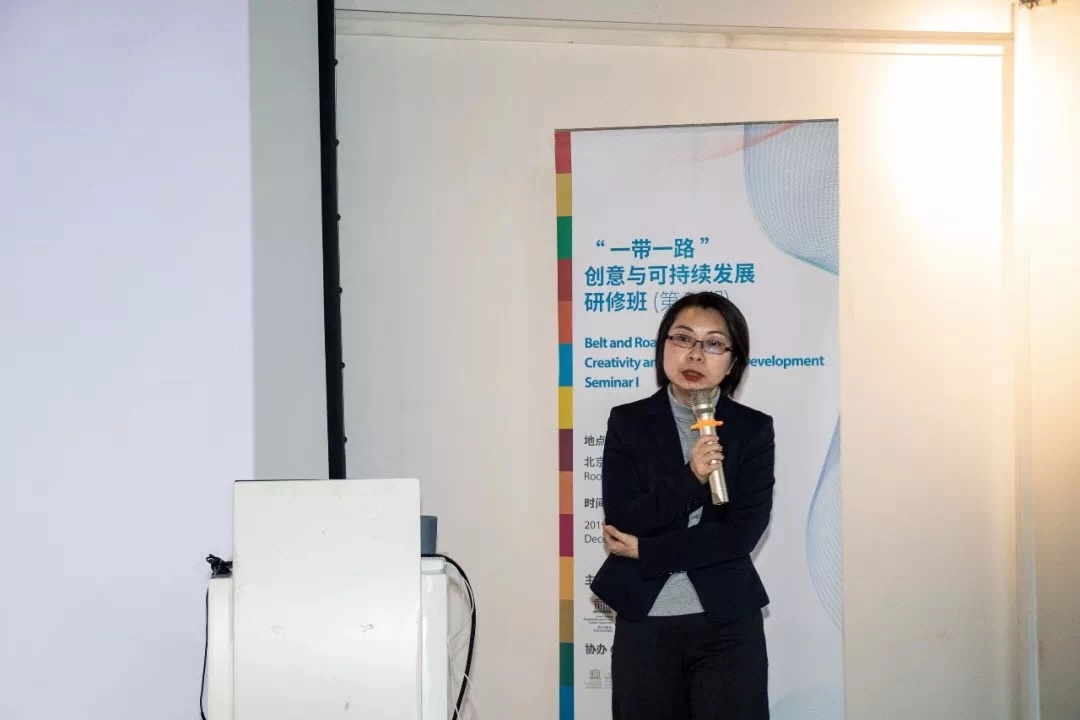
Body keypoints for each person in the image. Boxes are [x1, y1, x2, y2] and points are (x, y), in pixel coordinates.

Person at [590, 291, 775, 720]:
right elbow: (624, 519)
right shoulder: (628, 422)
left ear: (732, 362)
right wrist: (691, 478)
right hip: (646, 623)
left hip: (727, 625)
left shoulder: (752, 429)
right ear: (663, 347)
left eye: (713, 343)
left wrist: (647, 551)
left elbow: (739, 535)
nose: (695, 354)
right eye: (683, 338)